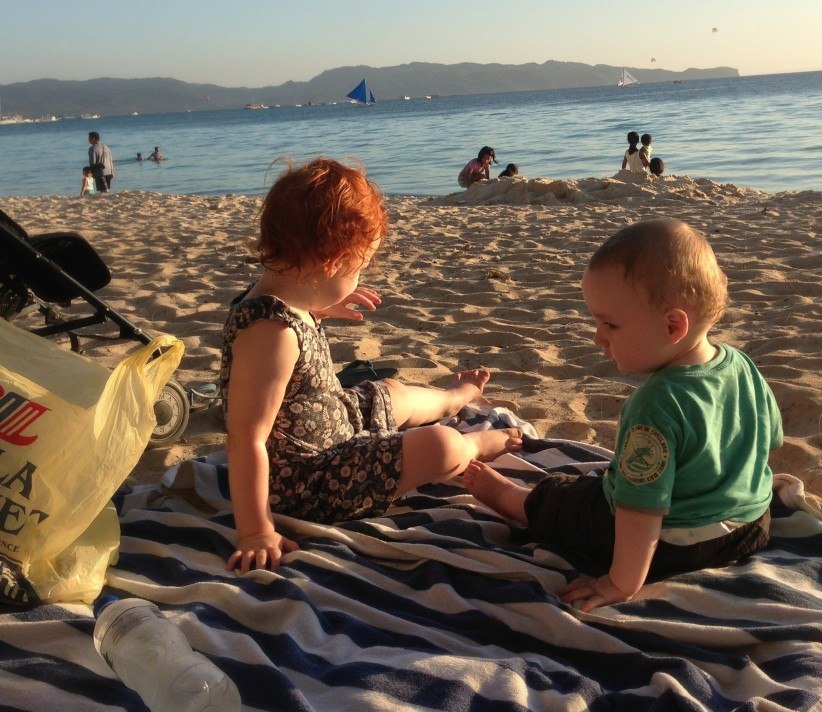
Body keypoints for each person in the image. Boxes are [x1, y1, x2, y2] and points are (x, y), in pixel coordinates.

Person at [220, 157, 523, 573]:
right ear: (330, 261)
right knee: (441, 444)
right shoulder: (272, 334)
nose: (359, 277)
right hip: (311, 480)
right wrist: (256, 531)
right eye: (357, 268)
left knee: (392, 391)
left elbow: (294, 336)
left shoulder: (282, 299)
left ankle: (454, 397)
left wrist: (322, 309)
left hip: (332, 421)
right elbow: (246, 438)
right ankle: (474, 446)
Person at [464, 218, 782, 612]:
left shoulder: (655, 405)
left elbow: (640, 512)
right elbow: (768, 439)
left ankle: (512, 498)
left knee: (573, 502)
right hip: (752, 526)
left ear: (672, 326)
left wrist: (620, 583)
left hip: (676, 546)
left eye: (610, 324)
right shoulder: (740, 364)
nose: (598, 337)